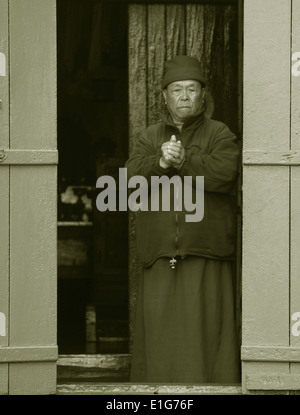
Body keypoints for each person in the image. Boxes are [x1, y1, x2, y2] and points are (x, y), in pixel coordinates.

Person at [125, 55, 241, 383]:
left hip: (207, 252)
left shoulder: (220, 134)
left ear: (204, 94)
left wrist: (185, 159)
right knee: (161, 338)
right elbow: (129, 180)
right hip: (160, 253)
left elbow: (225, 172)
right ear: (165, 97)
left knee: (208, 334)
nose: (185, 96)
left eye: (192, 89)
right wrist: (160, 163)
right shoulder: (150, 137)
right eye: (177, 90)